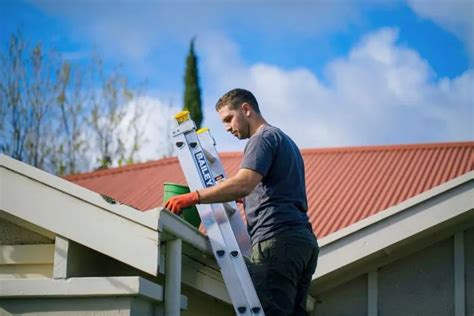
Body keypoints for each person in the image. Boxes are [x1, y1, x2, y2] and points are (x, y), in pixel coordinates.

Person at [165, 88, 319, 316]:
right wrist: (242, 196)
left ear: (246, 109)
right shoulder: (285, 141)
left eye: (229, 118)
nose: (227, 127)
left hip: (276, 241)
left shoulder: (261, 139)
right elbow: (269, 189)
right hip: (302, 242)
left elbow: (245, 182)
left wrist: (193, 197)